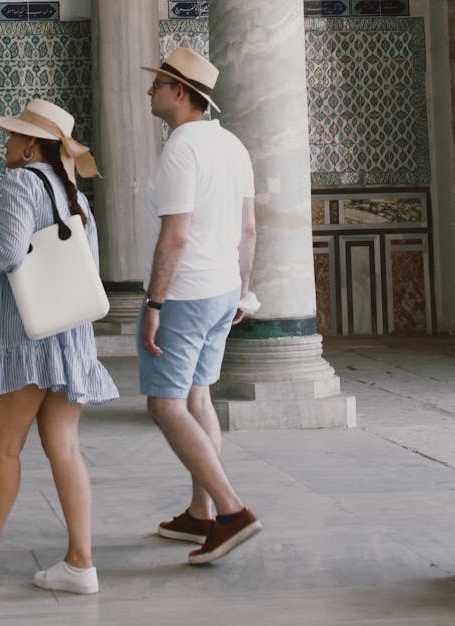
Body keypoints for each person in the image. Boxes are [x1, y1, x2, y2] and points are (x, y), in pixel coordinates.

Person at [0, 98, 118, 594]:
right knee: (65, 448)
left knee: (2, 447)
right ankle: (80, 565)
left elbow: (9, 253)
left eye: (12, 135)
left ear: (31, 144)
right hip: (70, 335)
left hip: (29, 340)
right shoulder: (73, 190)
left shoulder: (20, 181)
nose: (6, 143)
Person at [138, 46, 261, 565]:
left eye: (158, 83)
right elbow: (248, 228)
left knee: (164, 405)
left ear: (180, 93)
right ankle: (200, 514)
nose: (150, 90)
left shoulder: (182, 148)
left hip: (186, 294)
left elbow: (175, 236)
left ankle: (231, 513)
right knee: (198, 398)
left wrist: (153, 302)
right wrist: (242, 289)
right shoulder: (232, 145)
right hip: (222, 291)